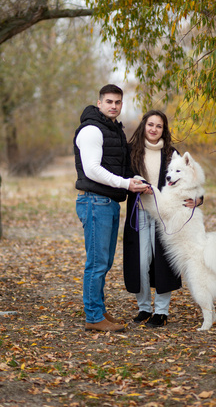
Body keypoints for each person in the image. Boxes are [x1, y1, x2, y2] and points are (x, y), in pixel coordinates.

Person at [74, 84, 148, 332]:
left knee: (103, 262)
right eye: (109, 101)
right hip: (95, 201)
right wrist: (126, 183)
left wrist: (136, 180)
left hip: (108, 202)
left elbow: (119, 166)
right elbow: (92, 169)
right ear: (99, 103)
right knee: (96, 263)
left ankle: (99, 310)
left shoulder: (113, 129)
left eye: (117, 102)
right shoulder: (92, 130)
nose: (113, 106)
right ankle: (93, 317)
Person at [123, 110, 203, 328]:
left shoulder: (172, 153)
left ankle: (161, 311)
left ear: (163, 129)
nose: (154, 129)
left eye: (159, 126)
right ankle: (144, 308)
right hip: (139, 213)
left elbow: (190, 180)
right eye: (150, 124)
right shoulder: (132, 151)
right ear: (144, 126)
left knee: (163, 263)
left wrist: (199, 199)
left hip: (167, 216)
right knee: (140, 263)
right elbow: (123, 179)